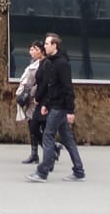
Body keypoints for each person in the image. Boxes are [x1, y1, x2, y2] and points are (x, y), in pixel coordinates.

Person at [27, 32, 86, 183]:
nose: (44, 46)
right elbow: (51, 86)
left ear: (55, 45)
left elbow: (67, 88)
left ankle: (43, 172)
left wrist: (70, 110)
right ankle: (79, 171)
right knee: (67, 139)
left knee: (47, 136)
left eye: (47, 44)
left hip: (60, 107)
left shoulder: (62, 64)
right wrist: (46, 104)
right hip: (54, 104)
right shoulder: (51, 62)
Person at [15, 41, 46, 164]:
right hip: (30, 98)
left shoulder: (42, 65)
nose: (31, 52)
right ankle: (35, 153)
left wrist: (31, 93)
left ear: (40, 51)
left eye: (34, 49)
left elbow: (39, 83)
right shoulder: (32, 64)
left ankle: (51, 148)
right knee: (32, 126)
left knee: (34, 126)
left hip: (35, 99)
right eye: (31, 49)